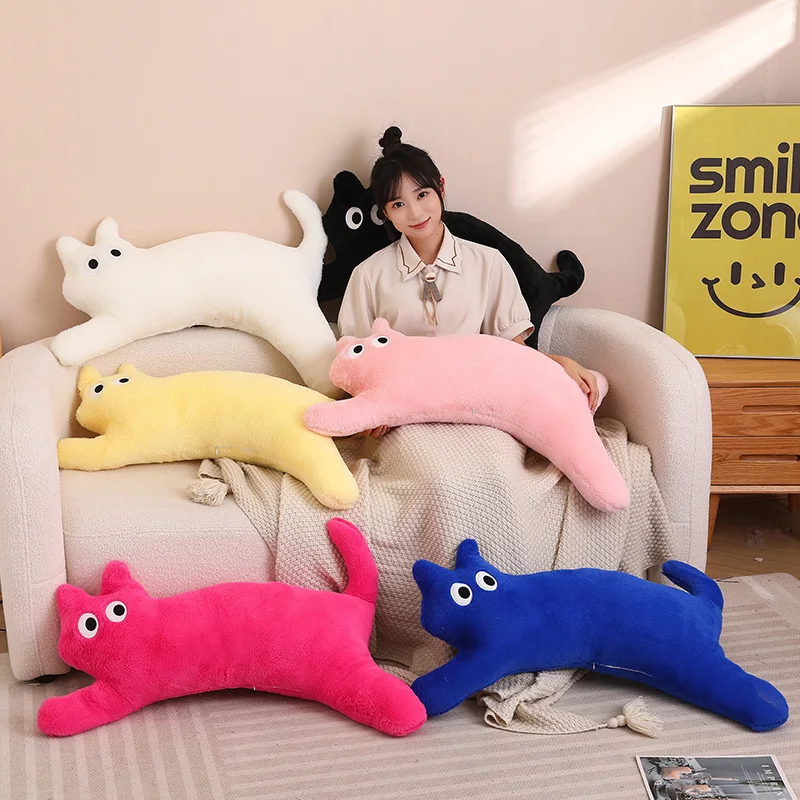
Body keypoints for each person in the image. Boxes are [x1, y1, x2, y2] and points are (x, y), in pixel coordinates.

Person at [338, 126, 600, 437]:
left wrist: (558, 364)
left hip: (478, 409)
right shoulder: (368, 275)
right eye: (398, 204)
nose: (415, 212)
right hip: (402, 416)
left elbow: (514, 352)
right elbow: (355, 359)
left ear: (441, 187)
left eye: (422, 194)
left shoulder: (489, 263)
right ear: (385, 213)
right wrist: (369, 408)